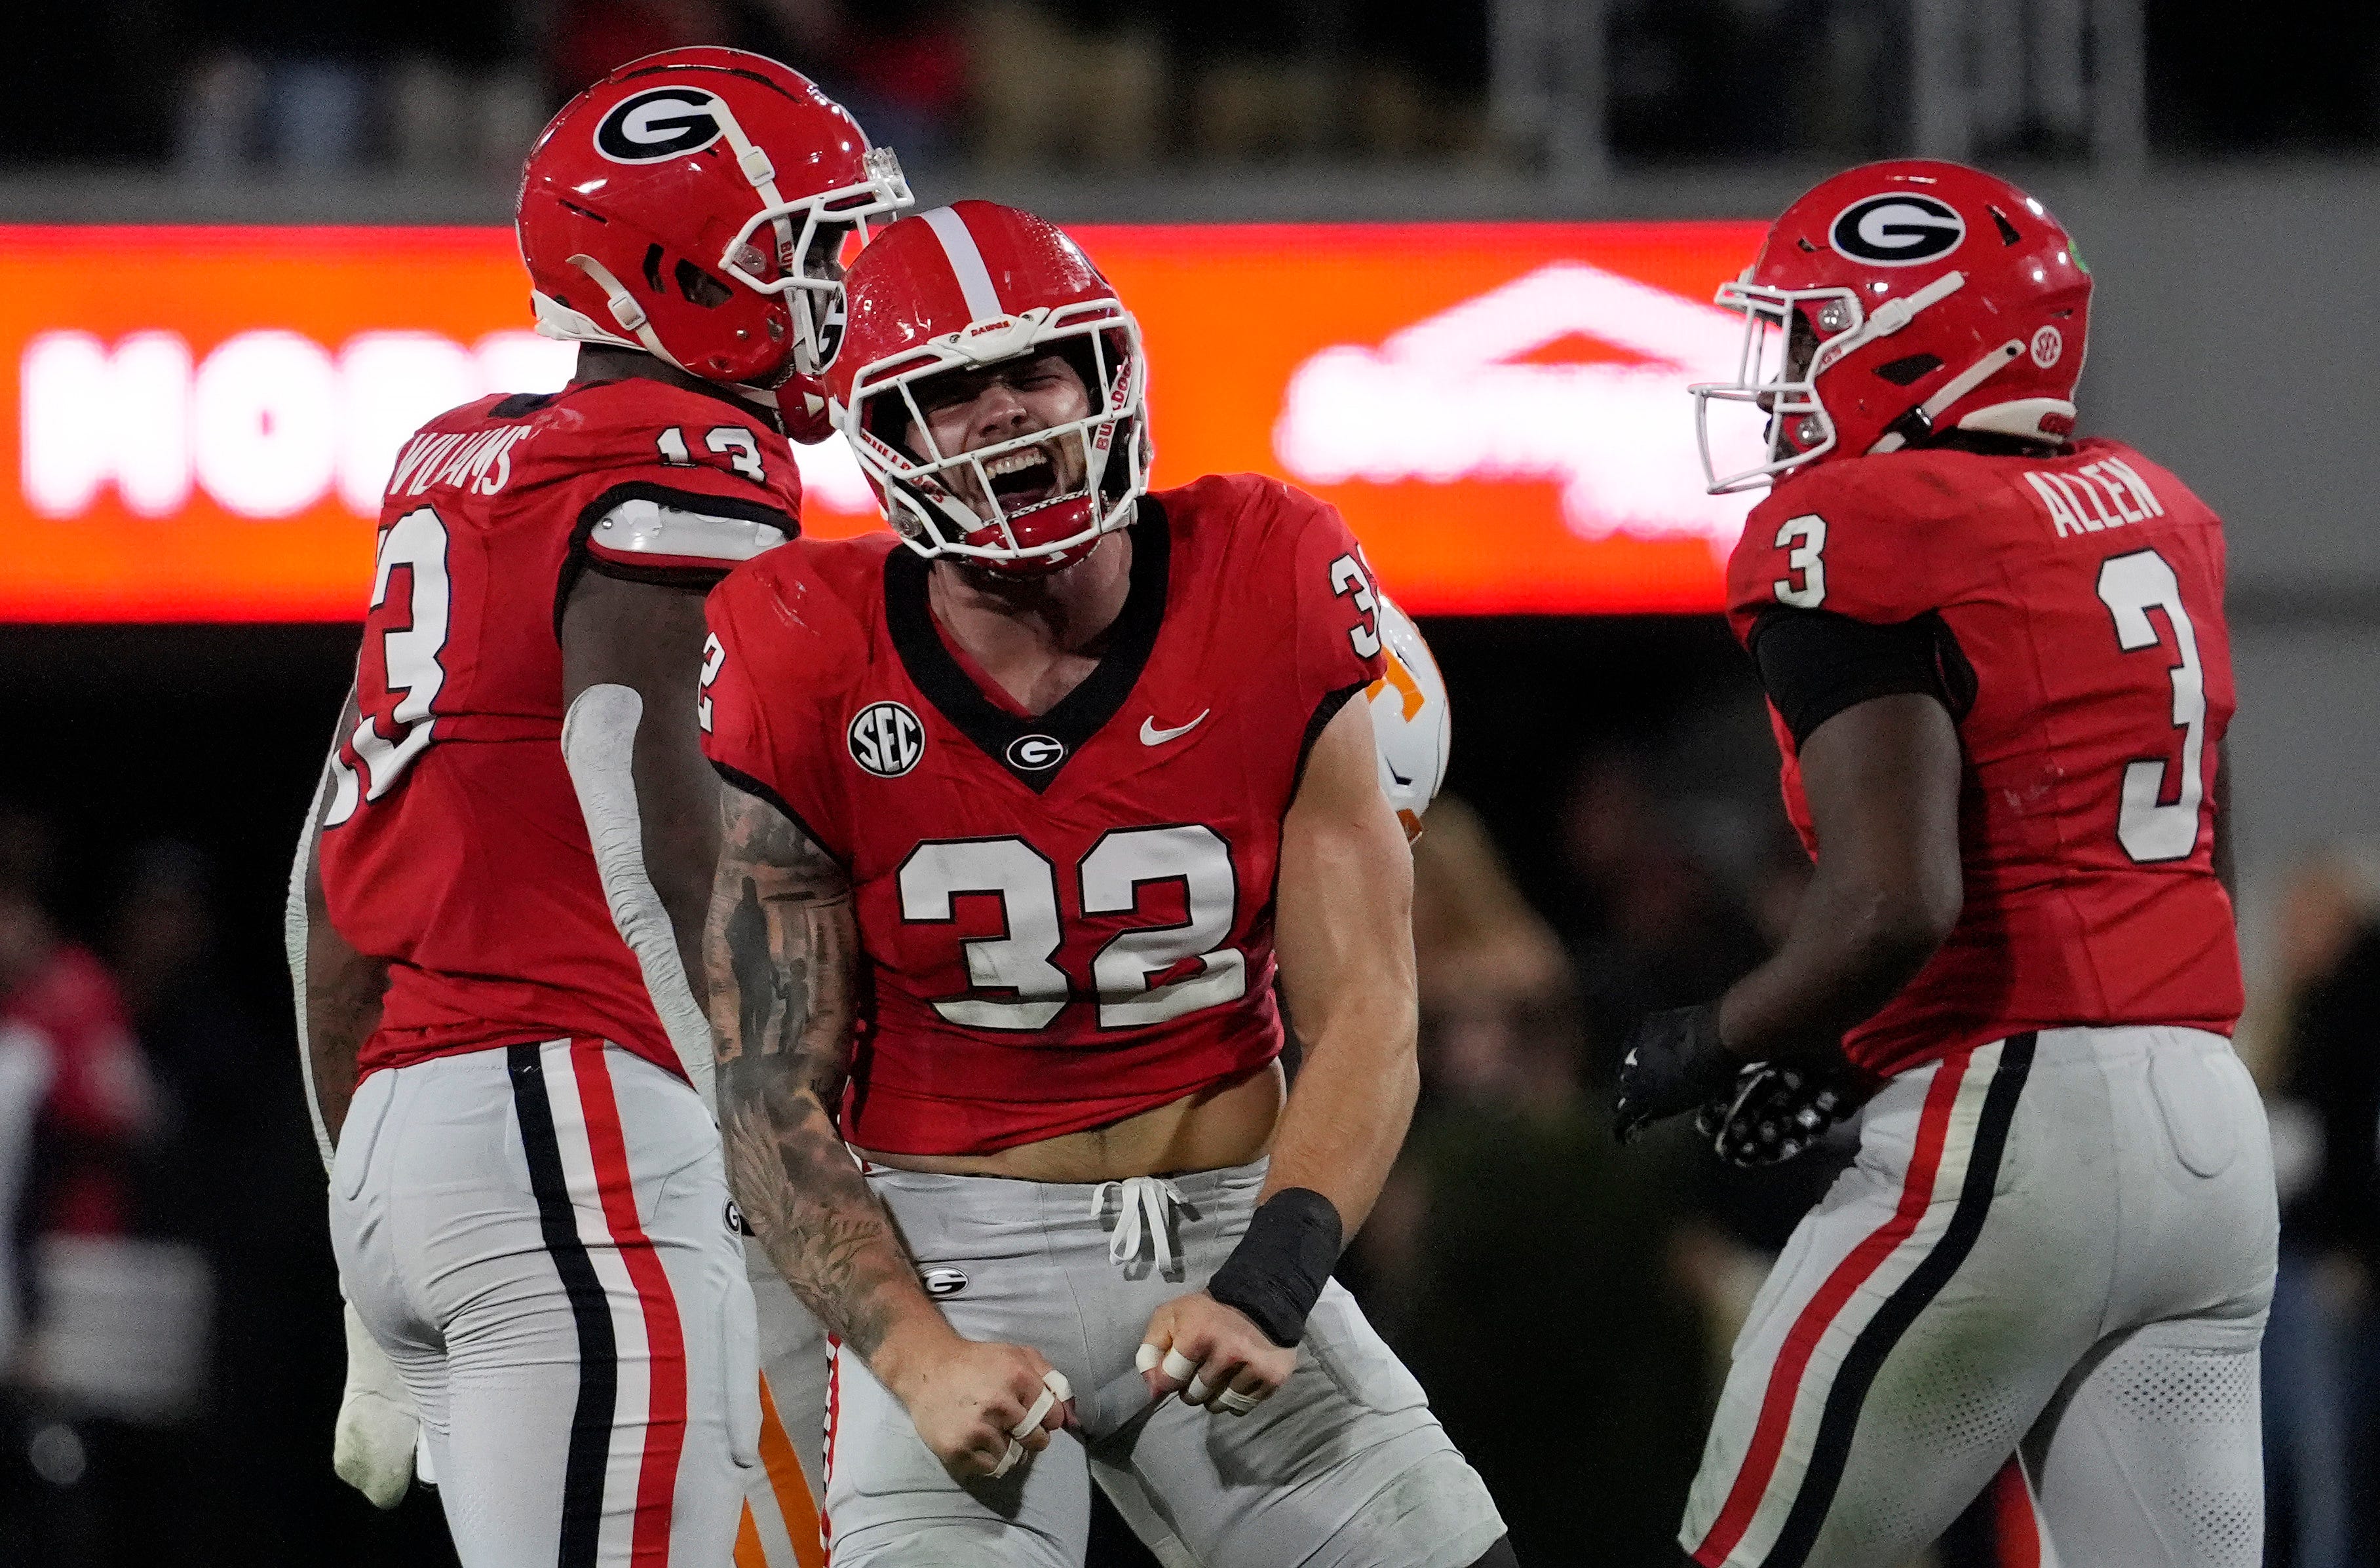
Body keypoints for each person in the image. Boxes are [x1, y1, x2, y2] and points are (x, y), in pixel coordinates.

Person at [695, 199, 1512, 1567]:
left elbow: (1367, 1009)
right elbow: (767, 1088)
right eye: (947, 391)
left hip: (1222, 1221)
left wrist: (1270, 1279)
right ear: (883, 437)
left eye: (1036, 369)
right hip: (948, 1258)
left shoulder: (1266, 568)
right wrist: (915, 1359)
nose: (1004, 415)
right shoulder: (799, 644)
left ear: (1107, 375)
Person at [286, 48, 908, 1565]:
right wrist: (766, 1131)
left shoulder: (462, 460)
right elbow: (643, 805)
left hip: (413, 1137)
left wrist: (351, 1229)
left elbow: (323, 887)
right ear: (676, 277)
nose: (840, 293)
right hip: (579, 1121)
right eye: (806, 255)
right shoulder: (695, 447)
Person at [1614, 160, 2276, 1567]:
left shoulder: (1861, 526)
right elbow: (2078, 854)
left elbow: (1895, 901)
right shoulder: (2155, 505)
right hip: (2209, 1131)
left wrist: (1710, 1038)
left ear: (1908, 332)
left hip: (2016, 1121)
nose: (1784, 371)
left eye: (1804, 330)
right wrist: (1846, 1052)